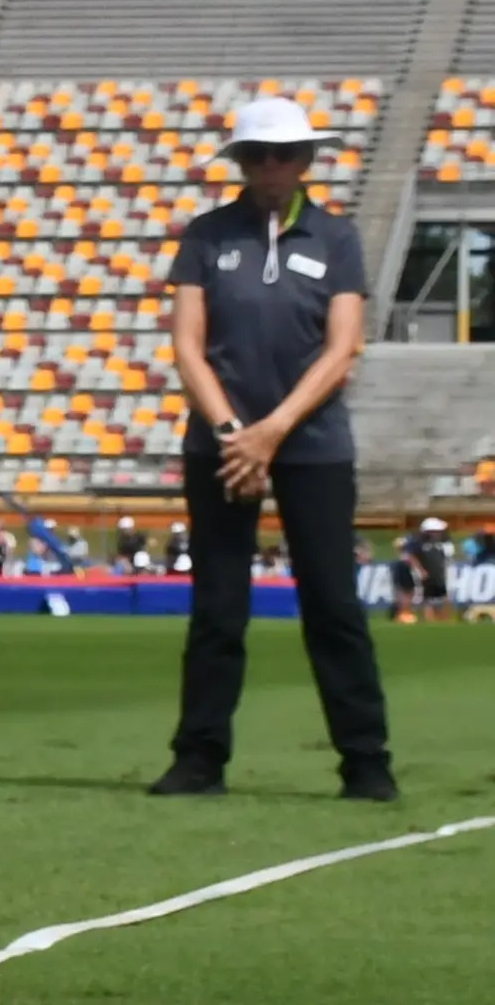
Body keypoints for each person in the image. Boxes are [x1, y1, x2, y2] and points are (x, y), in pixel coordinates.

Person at [155, 95, 389, 800]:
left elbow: (342, 347)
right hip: (220, 446)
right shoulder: (205, 235)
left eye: (284, 154)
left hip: (312, 443)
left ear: (308, 160)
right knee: (219, 606)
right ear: (241, 162)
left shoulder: (336, 239)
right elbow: (187, 347)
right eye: (258, 155)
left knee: (333, 605)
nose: (271, 167)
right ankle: (199, 757)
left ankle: (365, 760)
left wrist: (272, 430)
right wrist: (234, 434)